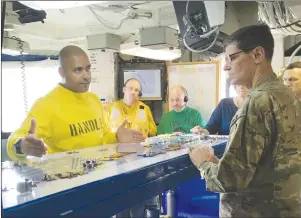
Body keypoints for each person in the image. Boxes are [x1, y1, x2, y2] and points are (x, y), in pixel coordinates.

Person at [188, 24, 301, 217]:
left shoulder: (256, 102)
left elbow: (228, 180)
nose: (225, 66)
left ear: (257, 55)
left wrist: (203, 164)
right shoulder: (285, 95)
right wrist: (220, 162)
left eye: (232, 58)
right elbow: (270, 161)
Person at [7, 45, 145, 160]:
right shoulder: (47, 105)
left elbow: (102, 138)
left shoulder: (94, 100)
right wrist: (21, 145)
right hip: (67, 183)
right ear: (62, 72)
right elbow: (14, 139)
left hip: (97, 177)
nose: (86, 76)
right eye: (78, 70)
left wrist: (117, 136)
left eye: (88, 68)